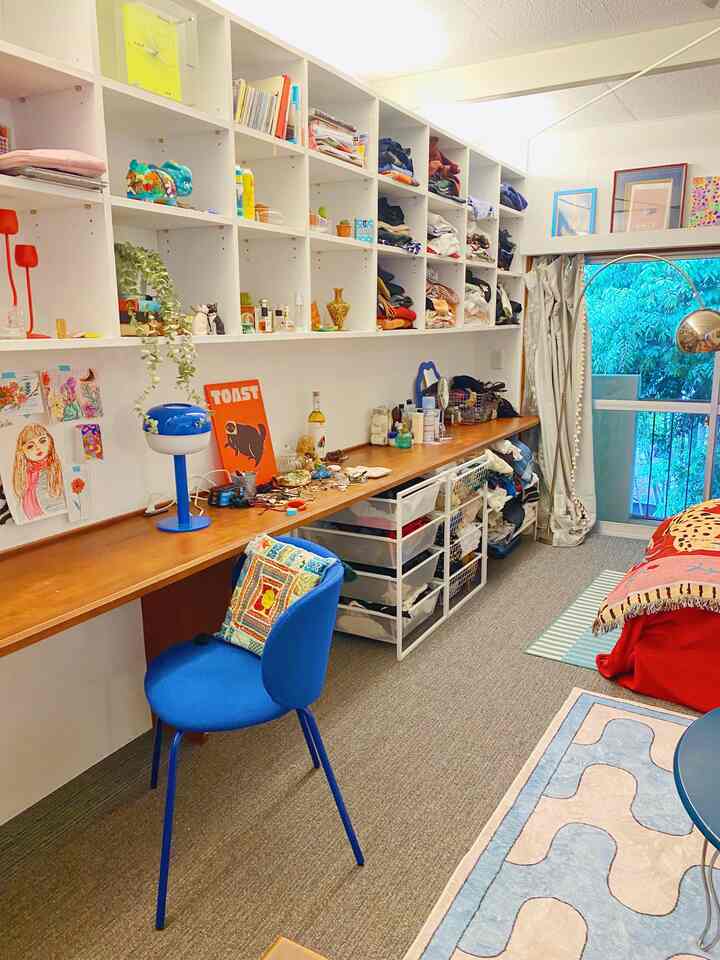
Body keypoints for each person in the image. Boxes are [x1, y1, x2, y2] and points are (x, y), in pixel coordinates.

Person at [12, 423, 65, 521]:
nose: (38, 448)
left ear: (50, 442)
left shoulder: (54, 469)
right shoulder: (24, 473)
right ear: (22, 451)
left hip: (54, 517)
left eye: (42, 441)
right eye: (30, 446)